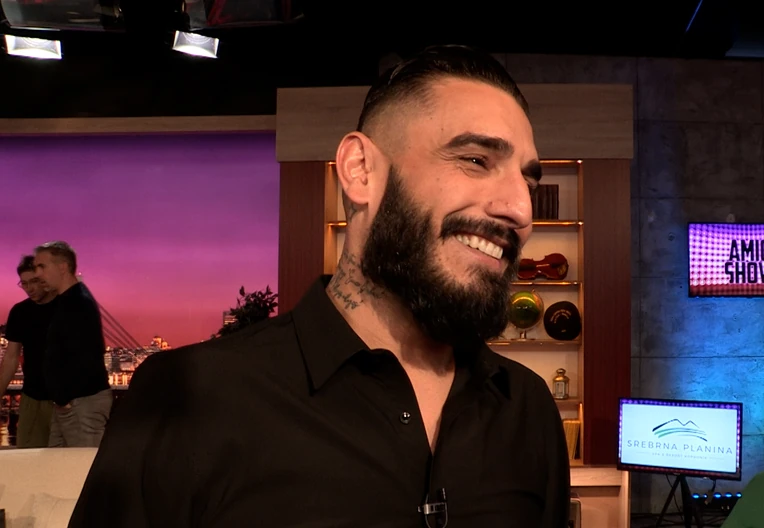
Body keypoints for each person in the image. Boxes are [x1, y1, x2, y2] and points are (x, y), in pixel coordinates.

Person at [69, 45, 570, 528]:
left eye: (528, 182)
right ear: (360, 171)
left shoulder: (527, 410)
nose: (520, 210)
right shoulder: (190, 396)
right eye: (476, 160)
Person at [32, 241, 112, 447]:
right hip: (72, 404)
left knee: (82, 464)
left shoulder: (78, 303)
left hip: (79, 404)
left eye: (42, 266)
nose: (37, 274)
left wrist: (63, 399)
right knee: (59, 463)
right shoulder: (70, 300)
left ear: (63, 267)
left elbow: (86, 355)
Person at [0, 255, 58, 448]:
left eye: (34, 281)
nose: (29, 288)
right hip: (32, 398)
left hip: (66, 400)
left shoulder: (69, 308)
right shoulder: (20, 312)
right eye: (24, 283)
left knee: (65, 458)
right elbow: (11, 358)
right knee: (28, 454)